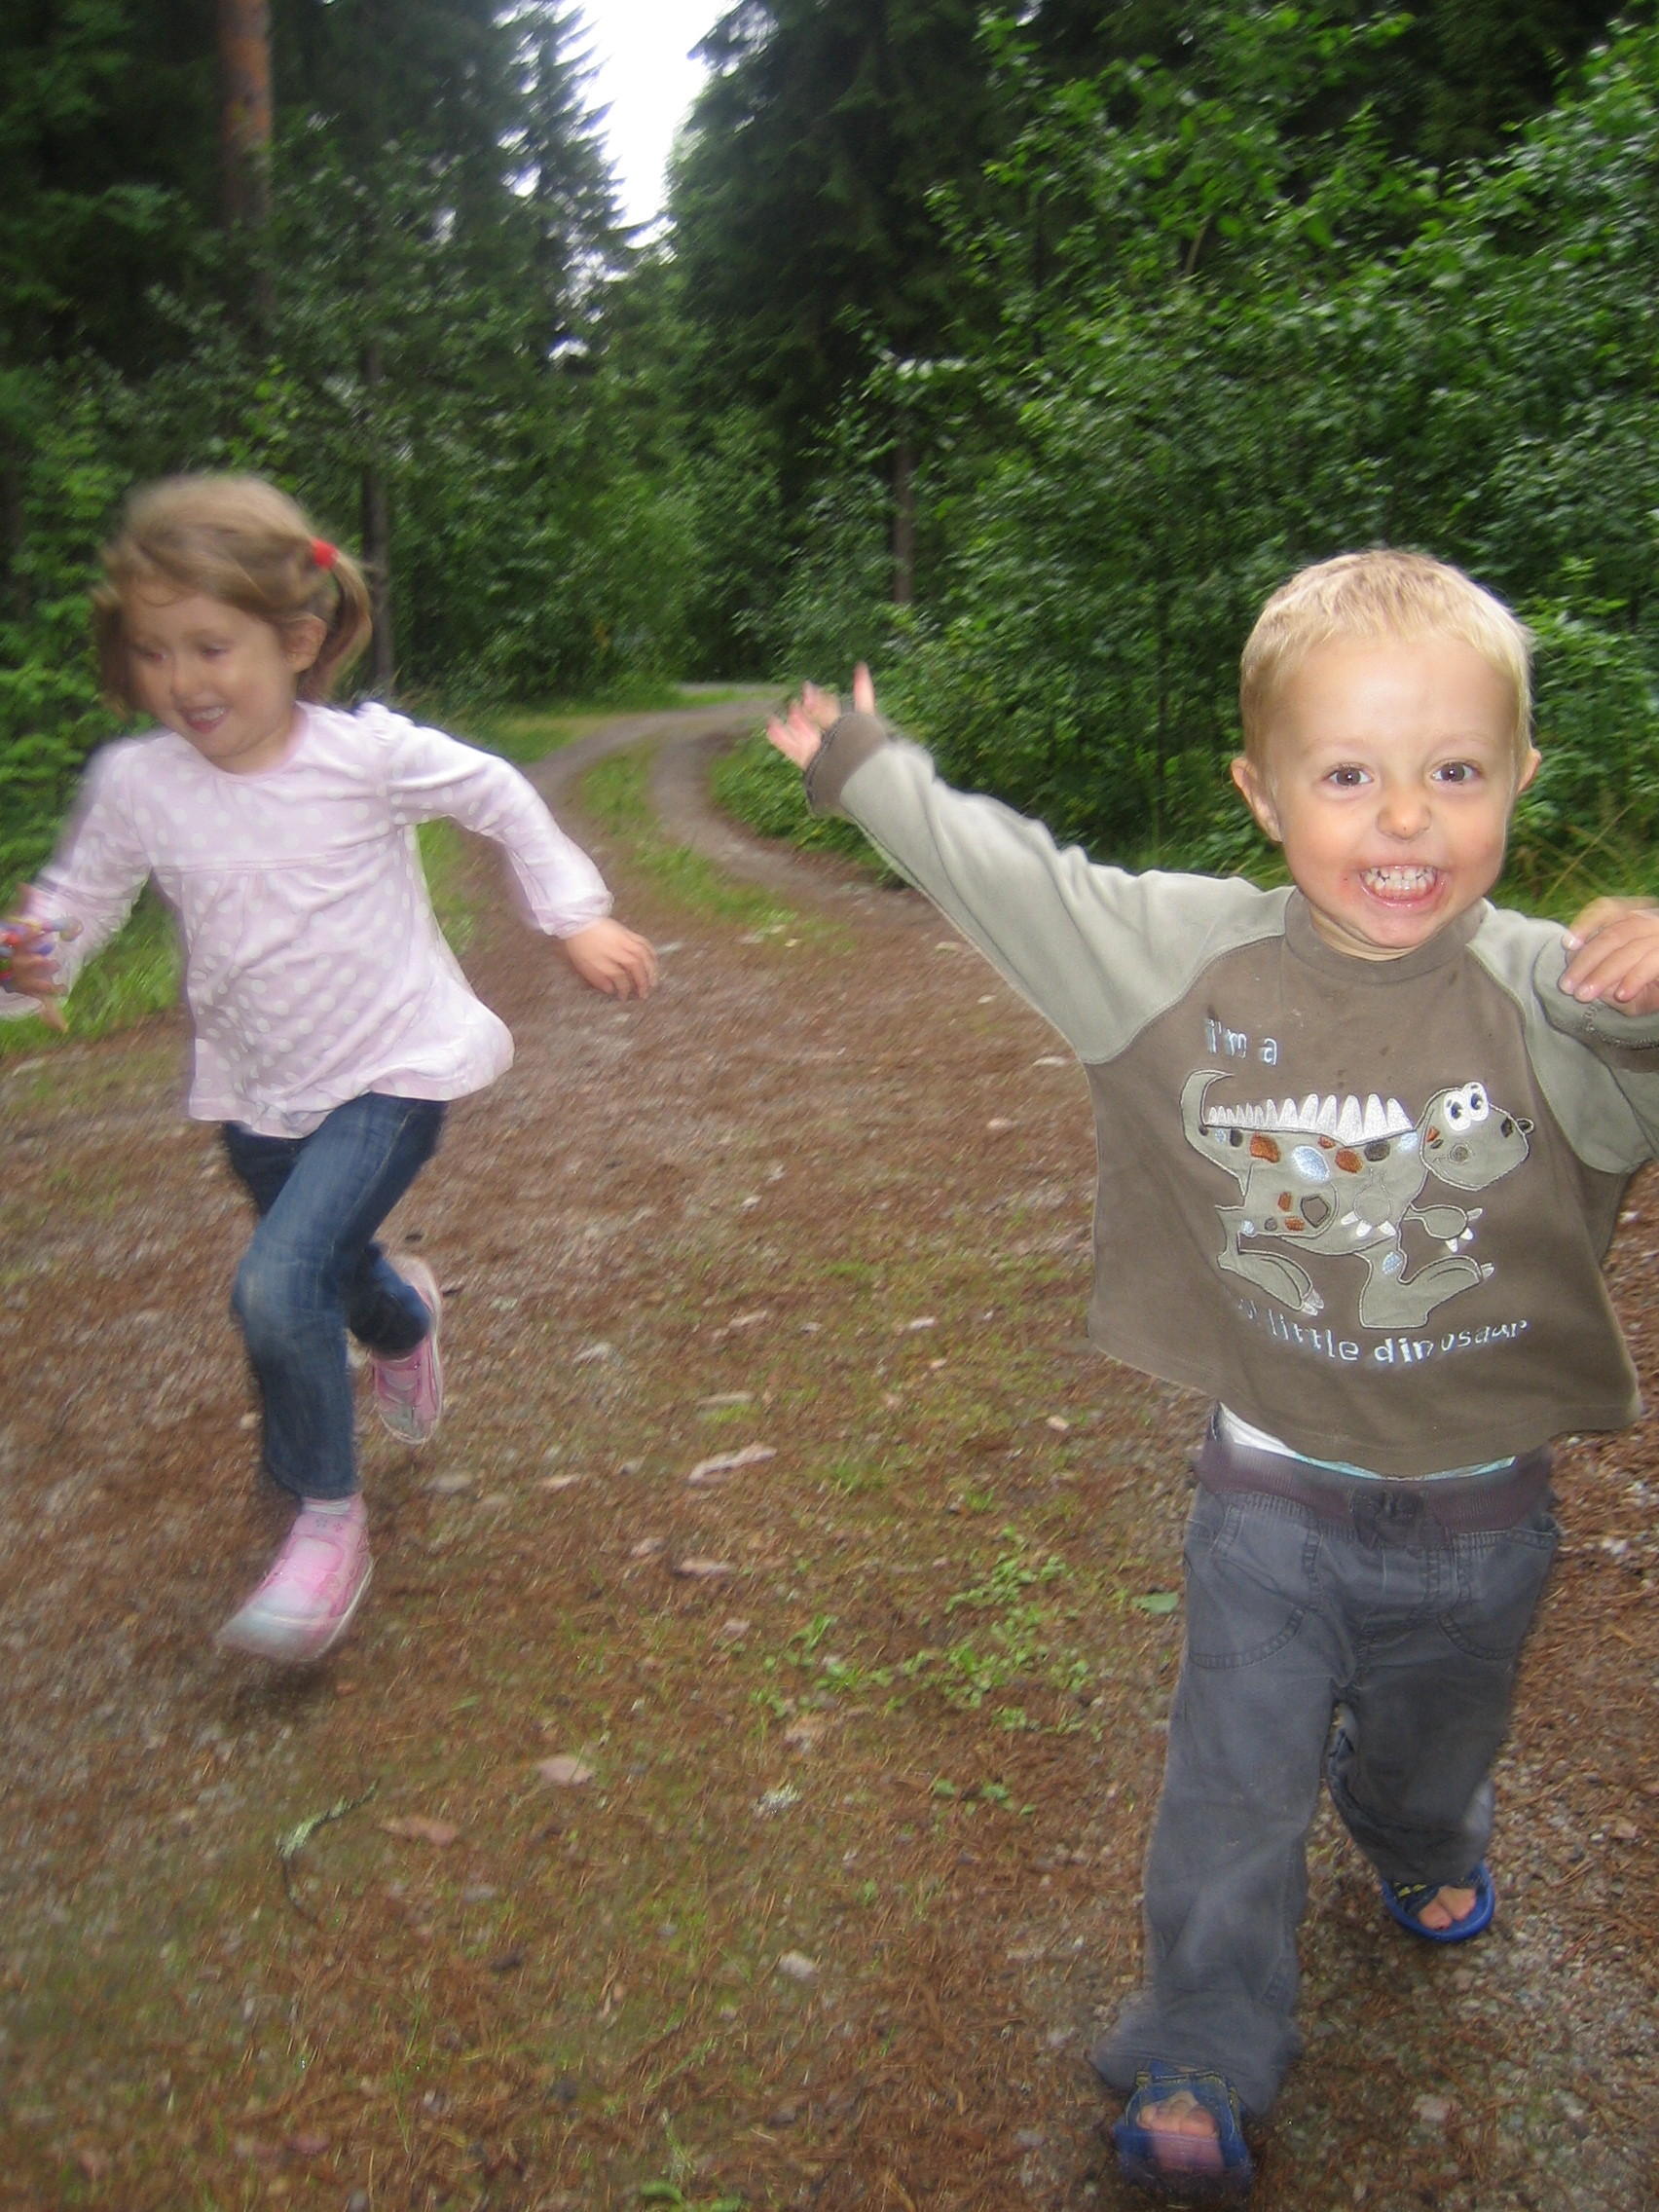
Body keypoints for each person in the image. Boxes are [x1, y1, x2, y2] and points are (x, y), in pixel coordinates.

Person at [765, 551, 1659, 2202]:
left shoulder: (1555, 997)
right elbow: (1021, 884)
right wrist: (870, 772)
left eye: (1455, 771)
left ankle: (1417, 1833)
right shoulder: (1177, 959)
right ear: (1260, 793)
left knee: (1429, 1749)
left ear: (1521, 777)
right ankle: (1199, 2033)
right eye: (1348, 775)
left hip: (1485, 1516)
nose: (1405, 819)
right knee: (1231, 1783)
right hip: (1267, 1500)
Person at [3, 473, 657, 1668]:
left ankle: (323, 1521)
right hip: (255, 1093)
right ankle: (404, 1324)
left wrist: (574, 915)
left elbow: (498, 793)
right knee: (331, 1267)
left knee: (275, 1283)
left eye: (212, 646)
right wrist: (32, 957)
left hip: (391, 1069)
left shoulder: (363, 758)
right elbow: (75, 903)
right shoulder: (138, 783)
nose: (183, 679)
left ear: (297, 641)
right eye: (153, 651)